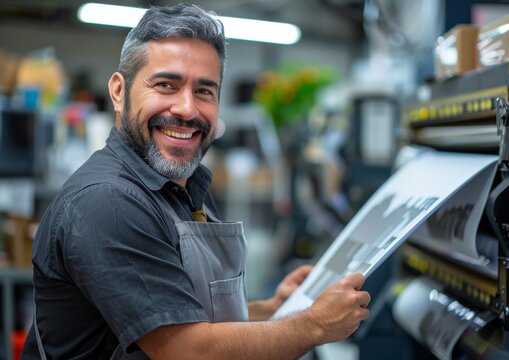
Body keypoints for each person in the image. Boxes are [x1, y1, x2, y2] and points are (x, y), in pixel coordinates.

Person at [22, 3, 370, 359]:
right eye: (166, 85)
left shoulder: (184, 186)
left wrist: (276, 309)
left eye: (204, 91)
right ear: (118, 91)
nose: (187, 109)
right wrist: (315, 325)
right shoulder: (108, 202)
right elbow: (189, 351)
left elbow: (187, 317)